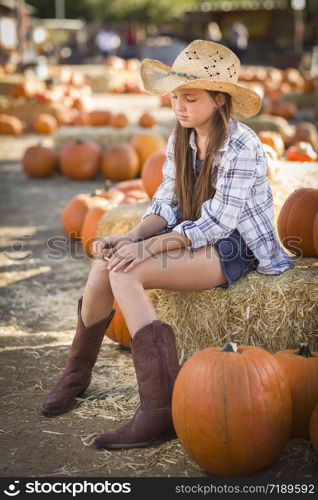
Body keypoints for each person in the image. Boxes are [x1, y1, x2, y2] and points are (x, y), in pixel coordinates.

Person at [41, 40, 293, 449]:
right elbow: (166, 203)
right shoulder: (181, 137)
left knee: (129, 271)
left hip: (235, 246)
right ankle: (76, 374)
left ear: (219, 98)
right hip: (194, 232)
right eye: (175, 97)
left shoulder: (244, 145)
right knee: (107, 262)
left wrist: (150, 250)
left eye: (190, 98)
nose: (179, 106)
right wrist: (133, 236)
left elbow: (220, 222)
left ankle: (158, 409)